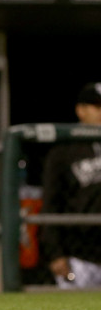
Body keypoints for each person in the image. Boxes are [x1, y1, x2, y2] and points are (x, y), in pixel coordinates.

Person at [41, 83, 101, 289]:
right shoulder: (64, 151)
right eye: (97, 106)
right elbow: (50, 203)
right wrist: (55, 253)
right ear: (80, 110)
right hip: (80, 257)